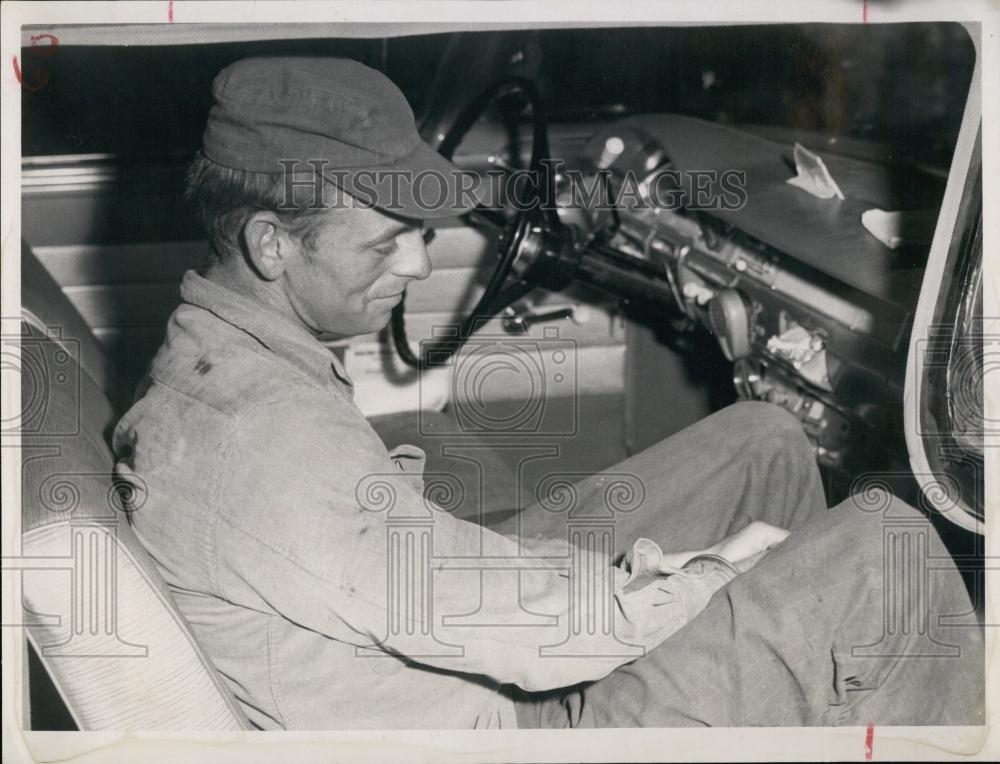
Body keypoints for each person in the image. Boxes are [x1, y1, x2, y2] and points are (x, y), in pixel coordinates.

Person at [113, 56, 983, 730]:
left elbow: (414, 572)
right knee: (885, 547)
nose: (417, 264)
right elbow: (529, 640)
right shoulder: (262, 442)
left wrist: (660, 579)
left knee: (763, 437)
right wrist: (709, 577)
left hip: (450, 644)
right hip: (533, 727)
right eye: (387, 244)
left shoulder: (235, 359)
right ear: (272, 245)